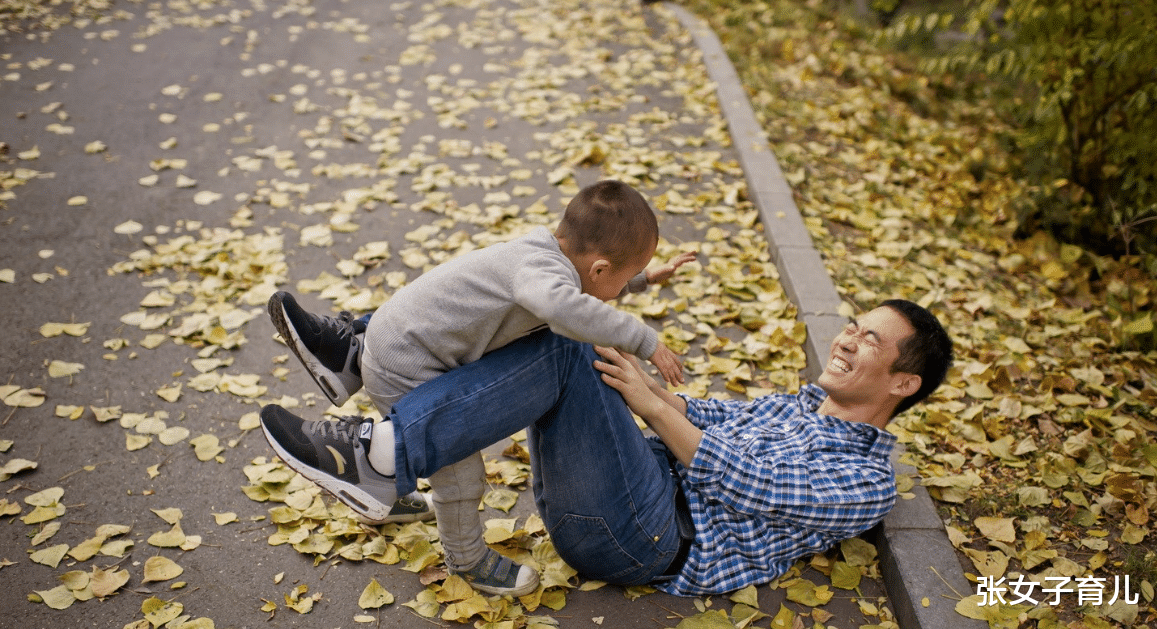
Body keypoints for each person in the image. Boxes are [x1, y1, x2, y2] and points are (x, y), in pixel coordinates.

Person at [261, 298, 952, 596]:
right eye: (852, 325)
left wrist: (649, 403)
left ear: (902, 380)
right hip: (632, 486)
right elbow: (699, 412)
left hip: (647, 539)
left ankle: (382, 458)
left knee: (565, 346)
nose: (845, 338)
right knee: (562, 315)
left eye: (869, 340)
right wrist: (636, 367)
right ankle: (360, 347)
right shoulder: (796, 403)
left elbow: (750, 484)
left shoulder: (865, 480)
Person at [264, 180, 697, 596]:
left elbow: (584, 289)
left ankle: (344, 356)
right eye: (625, 277)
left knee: (431, 439)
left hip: (386, 339)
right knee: (459, 477)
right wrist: (646, 341)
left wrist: (641, 281)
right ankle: (466, 559)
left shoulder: (538, 252)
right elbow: (568, 307)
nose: (622, 286)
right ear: (600, 268)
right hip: (409, 367)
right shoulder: (546, 282)